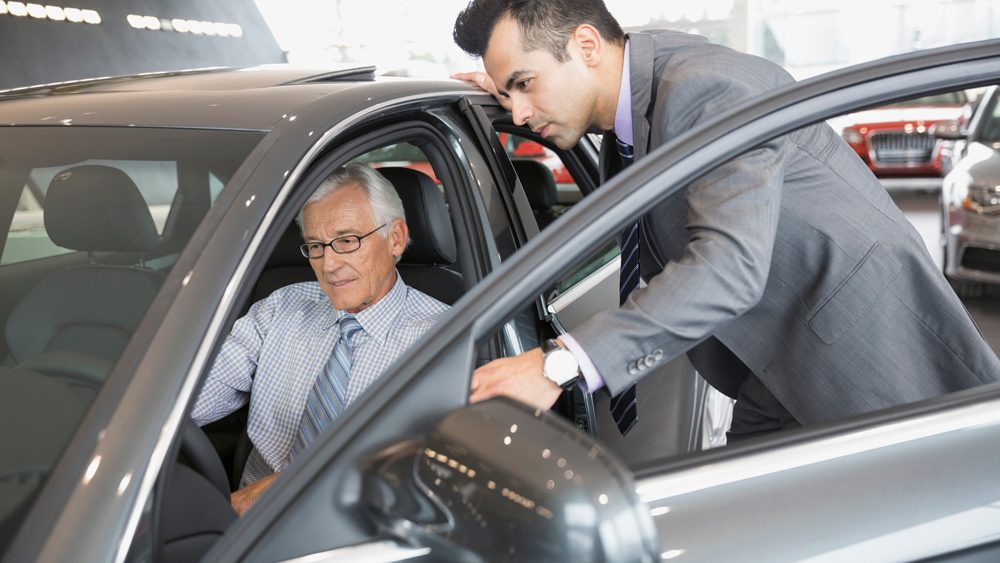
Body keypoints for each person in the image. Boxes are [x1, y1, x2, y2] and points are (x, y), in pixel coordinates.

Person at [452, 0, 1000, 441]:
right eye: (509, 92)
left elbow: (729, 266)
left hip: (864, 357)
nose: (518, 112)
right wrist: (508, 90)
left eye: (525, 83)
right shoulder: (637, 93)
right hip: (776, 365)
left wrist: (559, 364)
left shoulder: (703, 90)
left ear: (586, 45)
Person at [192, 163, 448, 515]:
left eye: (347, 241)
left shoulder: (445, 336)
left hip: (368, 524)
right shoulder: (282, 307)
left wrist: (283, 490)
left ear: (396, 238)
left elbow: (430, 468)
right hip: (247, 527)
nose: (328, 265)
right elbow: (192, 397)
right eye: (316, 245)